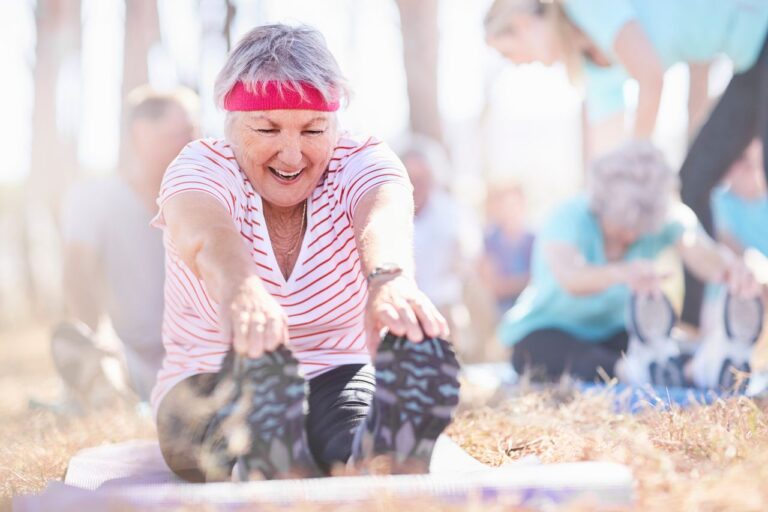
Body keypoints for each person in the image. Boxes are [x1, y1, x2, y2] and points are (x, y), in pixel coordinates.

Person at [152, 24, 460, 483]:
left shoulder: (361, 158)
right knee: (202, 445)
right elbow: (205, 231)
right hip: (214, 372)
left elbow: (384, 211)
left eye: (313, 129)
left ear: (335, 125)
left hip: (336, 370)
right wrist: (242, 290)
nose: (292, 155)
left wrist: (389, 278)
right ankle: (268, 443)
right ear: (231, 127)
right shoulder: (200, 167)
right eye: (267, 128)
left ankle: (372, 456)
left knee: (355, 435)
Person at [483, 0, 768, 330]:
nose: (516, 64)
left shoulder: (585, 7)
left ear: (521, 23)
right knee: (692, 182)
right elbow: (609, 153)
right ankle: (693, 326)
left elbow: (650, 78)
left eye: (507, 53)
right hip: (751, 58)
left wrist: (638, 170)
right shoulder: (595, 66)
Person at [499, 142, 760, 382]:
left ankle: (704, 366)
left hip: (615, 331)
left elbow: (699, 250)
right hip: (549, 328)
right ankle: (637, 372)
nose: (632, 235)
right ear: (601, 206)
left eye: (640, 228)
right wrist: (622, 272)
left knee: (658, 346)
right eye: (623, 226)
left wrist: (730, 270)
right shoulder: (566, 217)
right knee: (543, 356)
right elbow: (570, 276)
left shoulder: (662, 218)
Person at [53, 86, 199, 408]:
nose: (194, 142)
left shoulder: (201, 204)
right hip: (122, 356)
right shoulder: (92, 197)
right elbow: (76, 274)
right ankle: (101, 380)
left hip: (189, 361)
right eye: (182, 132)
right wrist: (95, 340)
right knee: (80, 347)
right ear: (142, 134)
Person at [399, 135, 482, 360]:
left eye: (423, 178)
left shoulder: (453, 212)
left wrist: (463, 263)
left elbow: (470, 259)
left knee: (451, 316)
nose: (417, 185)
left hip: (445, 301)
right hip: (399, 300)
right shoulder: (387, 210)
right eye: (411, 177)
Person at [480, 180, 534, 315]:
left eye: (514, 205)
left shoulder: (535, 239)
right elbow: (495, 288)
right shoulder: (489, 242)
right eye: (504, 206)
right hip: (500, 314)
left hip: (533, 311)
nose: (510, 211)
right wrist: (527, 281)